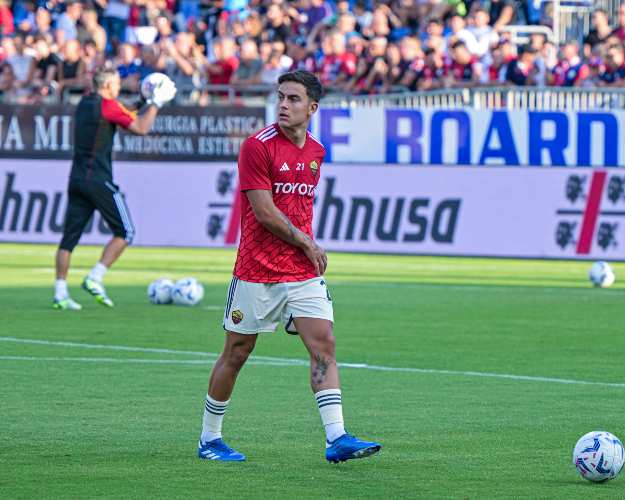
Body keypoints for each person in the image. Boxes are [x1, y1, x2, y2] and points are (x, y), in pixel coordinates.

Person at [197, 70, 381, 463]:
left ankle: (336, 437)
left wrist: (305, 248)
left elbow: (300, 208)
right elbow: (264, 213)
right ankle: (209, 438)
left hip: (301, 270)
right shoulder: (257, 147)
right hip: (257, 269)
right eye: (280, 97)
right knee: (237, 352)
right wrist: (308, 242)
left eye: (293, 99)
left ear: (312, 107)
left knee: (323, 344)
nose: (283, 104)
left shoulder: (316, 151)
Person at [52, 69, 176, 310]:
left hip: (76, 178)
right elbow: (141, 128)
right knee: (126, 231)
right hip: (99, 180)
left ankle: (60, 293)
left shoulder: (84, 103)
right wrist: (156, 103)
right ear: (108, 85)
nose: (119, 87)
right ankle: (95, 277)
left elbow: (121, 111)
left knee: (68, 240)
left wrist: (142, 101)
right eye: (117, 83)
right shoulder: (108, 106)